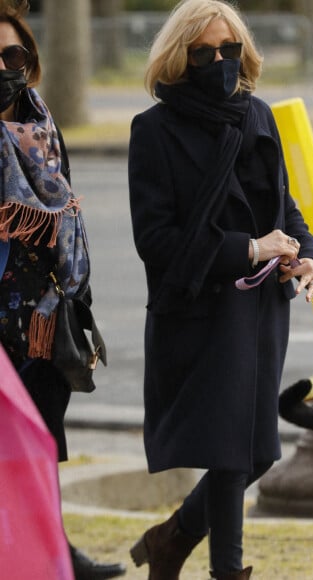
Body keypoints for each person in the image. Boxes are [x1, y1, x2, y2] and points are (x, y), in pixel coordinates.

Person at [127, 0, 313, 578]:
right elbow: (156, 239)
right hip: (199, 309)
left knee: (258, 451)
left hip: (261, 309)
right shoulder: (154, 130)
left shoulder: (257, 116)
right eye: (204, 51)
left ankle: (173, 538)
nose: (219, 60)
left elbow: (284, 209)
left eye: (229, 49)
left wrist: (307, 259)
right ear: (178, 56)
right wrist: (250, 248)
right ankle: (227, 571)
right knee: (230, 451)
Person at [0, 2, 126, 579]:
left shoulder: (41, 122)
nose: (4, 66)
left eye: (11, 54)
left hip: (47, 313)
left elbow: (68, 212)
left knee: (42, 439)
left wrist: (79, 299)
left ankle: (54, 552)